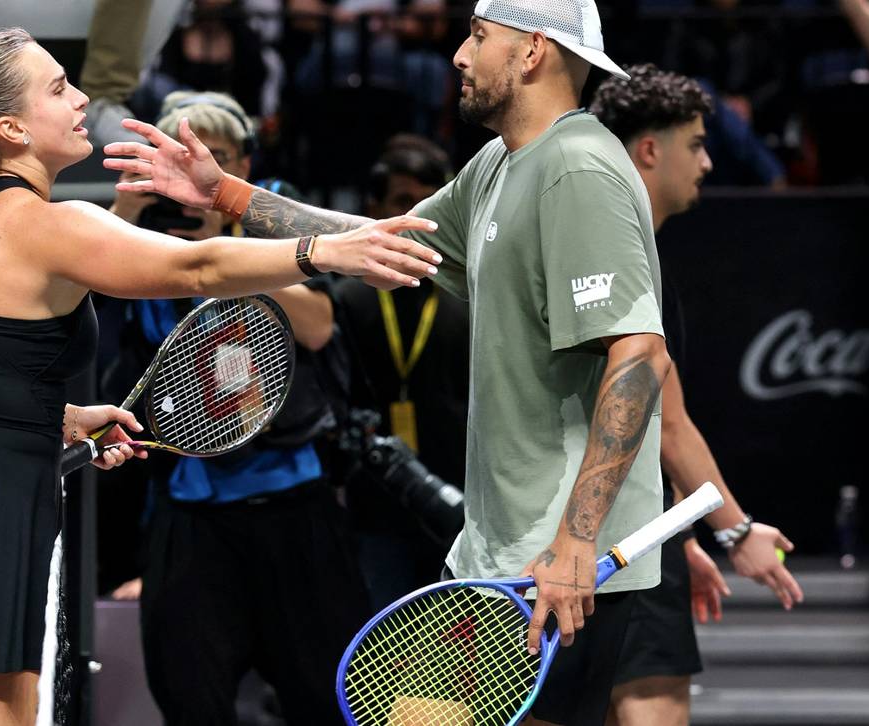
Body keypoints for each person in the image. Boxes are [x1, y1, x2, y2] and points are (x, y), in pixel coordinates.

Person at [0, 27, 441, 724]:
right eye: (59, 88)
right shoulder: (50, 225)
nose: (83, 98)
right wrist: (325, 250)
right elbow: (196, 267)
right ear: (12, 128)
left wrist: (54, 418)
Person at [108, 1, 673, 721]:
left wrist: (577, 540)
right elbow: (375, 241)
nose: (460, 55)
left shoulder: (578, 167)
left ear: (532, 52)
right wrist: (225, 193)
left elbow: (639, 355)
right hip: (498, 554)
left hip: (554, 561)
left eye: (479, 37)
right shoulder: (501, 163)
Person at [105, 91, 370, 725]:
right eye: (173, 160)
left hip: (292, 497)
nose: (192, 171)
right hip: (189, 506)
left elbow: (318, 326)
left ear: (243, 165)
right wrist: (127, 212)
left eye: (215, 157)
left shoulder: (271, 223)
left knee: (329, 696)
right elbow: (80, 304)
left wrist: (226, 249)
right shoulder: (143, 235)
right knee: (188, 697)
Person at [590, 62, 805, 726]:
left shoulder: (607, 247)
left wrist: (679, 538)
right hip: (613, 547)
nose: (708, 163)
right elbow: (669, 422)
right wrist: (734, 531)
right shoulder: (624, 257)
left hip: (617, 539)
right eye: (696, 144)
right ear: (649, 151)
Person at [316, 135, 470, 610]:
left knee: (455, 637)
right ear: (374, 209)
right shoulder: (346, 298)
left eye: (427, 202)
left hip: (461, 498)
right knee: (384, 632)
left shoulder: (467, 293)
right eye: (403, 202)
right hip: (373, 502)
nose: (416, 216)